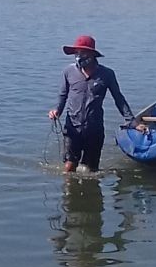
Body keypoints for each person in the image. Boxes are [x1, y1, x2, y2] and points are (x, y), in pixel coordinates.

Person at [48, 35, 141, 174]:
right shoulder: (69, 72)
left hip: (94, 128)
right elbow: (63, 95)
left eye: (82, 53)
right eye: (76, 53)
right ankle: (69, 194)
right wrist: (57, 111)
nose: (79, 56)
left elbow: (119, 99)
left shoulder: (107, 74)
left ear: (92, 54)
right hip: (72, 127)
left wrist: (132, 122)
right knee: (69, 167)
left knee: (91, 170)